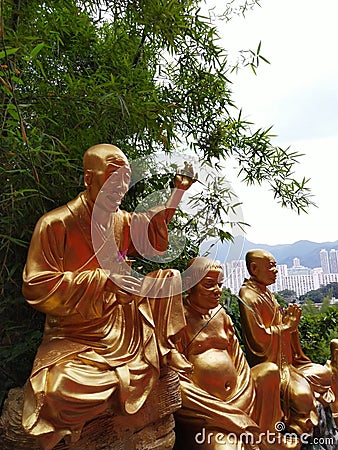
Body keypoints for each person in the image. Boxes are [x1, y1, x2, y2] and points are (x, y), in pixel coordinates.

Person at [21, 143, 195, 449]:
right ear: (90, 179)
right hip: (76, 335)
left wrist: (177, 193)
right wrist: (103, 280)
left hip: (121, 321)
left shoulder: (121, 221)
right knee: (60, 391)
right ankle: (131, 373)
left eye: (125, 181)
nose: (120, 188)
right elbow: (37, 286)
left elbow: (151, 228)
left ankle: (164, 350)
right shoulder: (56, 223)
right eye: (113, 179)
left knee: (168, 278)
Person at [174, 257, 300, 450]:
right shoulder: (178, 318)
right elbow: (175, 374)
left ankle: (268, 433)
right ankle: (242, 427)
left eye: (219, 284)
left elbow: (238, 359)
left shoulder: (220, 314)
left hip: (240, 394)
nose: (217, 291)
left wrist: (242, 393)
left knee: (269, 372)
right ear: (189, 285)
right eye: (209, 285)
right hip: (207, 408)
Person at [239, 249, 334, 436]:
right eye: (271, 266)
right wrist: (287, 327)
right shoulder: (248, 296)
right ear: (254, 268)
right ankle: (298, 433)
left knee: (324, 373)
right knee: (302, 396)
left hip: (289, 365)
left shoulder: (267, 294)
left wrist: (292, 327)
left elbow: (282, 328)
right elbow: (259, 342)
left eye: (275, 266)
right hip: (273, 369)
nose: (275, 270)